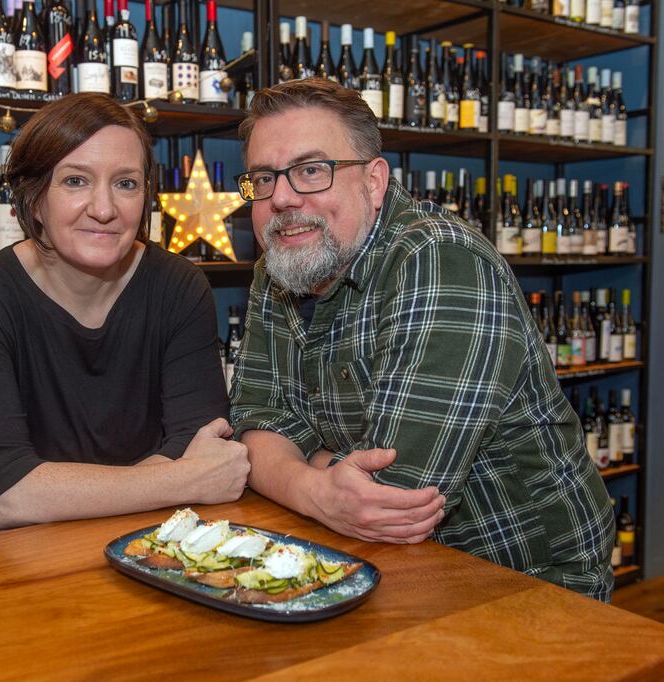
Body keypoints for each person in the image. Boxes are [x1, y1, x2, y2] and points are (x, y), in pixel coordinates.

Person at [229, 78, 615, 601]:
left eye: (311, 170)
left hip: (523, 574)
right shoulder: (280, 263)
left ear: (373, 181)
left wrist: (304, 461)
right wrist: (316, 488)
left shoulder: (441, 259)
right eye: (263, 178)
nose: (283, 198)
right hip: (376, 561)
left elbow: (397, 496)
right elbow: (255, 420)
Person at [0, 93, 249, 540]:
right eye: (75, 181)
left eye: (125, 183)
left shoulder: (178, 287)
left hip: (141, 539)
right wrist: (184, 480)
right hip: (4, 555)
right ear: (34, 198)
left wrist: (43, 500)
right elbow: (6, 492)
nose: (104, 209)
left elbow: (198, 439)